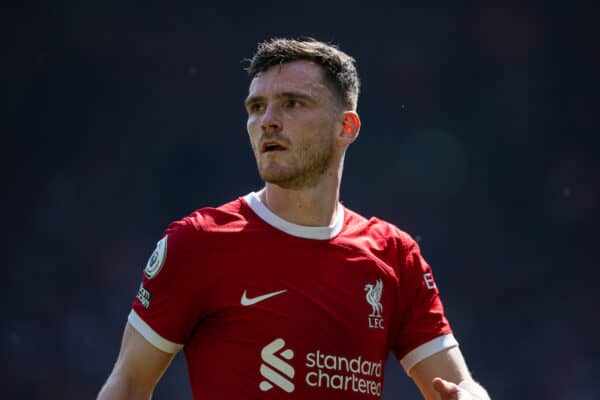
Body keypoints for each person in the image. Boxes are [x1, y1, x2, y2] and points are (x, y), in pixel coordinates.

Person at [98, 37, 491, 400]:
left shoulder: (394, 256)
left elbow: (461, 385)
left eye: (292, 103)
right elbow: (129, 382)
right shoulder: (199, 242)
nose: (267, 120)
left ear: (346, 127)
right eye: (256, 107)